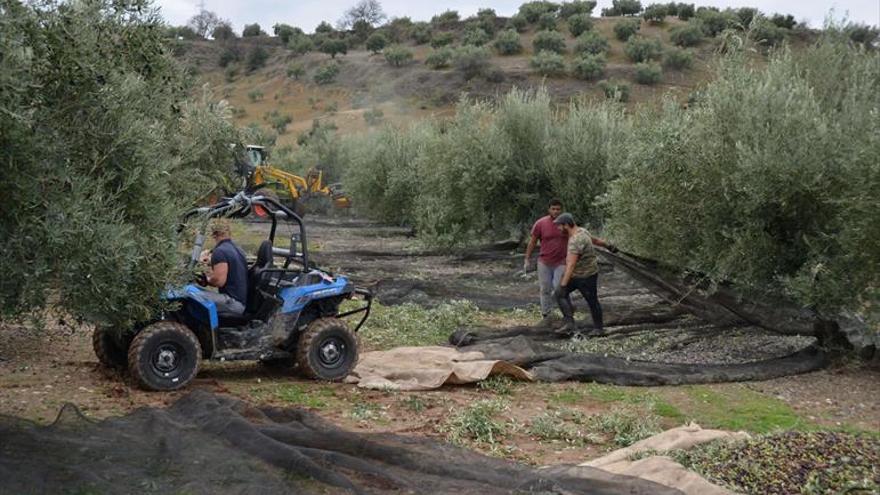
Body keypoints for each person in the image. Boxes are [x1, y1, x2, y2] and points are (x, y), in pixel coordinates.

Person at [551, 213, 617, 334]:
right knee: (560, 294)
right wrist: (608, 246)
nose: (558, 229)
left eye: (559, 226)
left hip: (585, 276)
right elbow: (595, 240)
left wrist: (563, 284)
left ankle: (598, 329)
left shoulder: (575, 241)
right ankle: (570, 323)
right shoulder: (582, 231)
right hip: (582, 273)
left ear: (566, 225)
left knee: (590, 301)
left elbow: (570, 265)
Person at [524, 199, 567, 327]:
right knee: (544, 288)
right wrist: (527, 258)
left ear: (561, 210)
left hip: (561, 261)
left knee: (558, 288)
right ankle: (546, 314)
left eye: (558, 209)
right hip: (544, 262)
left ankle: (566, 315)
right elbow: (532, 241)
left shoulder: (566, 223)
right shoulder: (541, 223)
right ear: (549, 210)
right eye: (553, 209)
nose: (555, 211)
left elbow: (575, 237)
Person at [198, 219, 249, 316]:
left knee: (189, 295)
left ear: (214, 234)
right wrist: (208, 263)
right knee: (193, 290)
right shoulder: (238, 249)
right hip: (240, 301)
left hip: (233, 303)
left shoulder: (220, 252)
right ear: (229, 232)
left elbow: (218, 281)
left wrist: (206, 277)